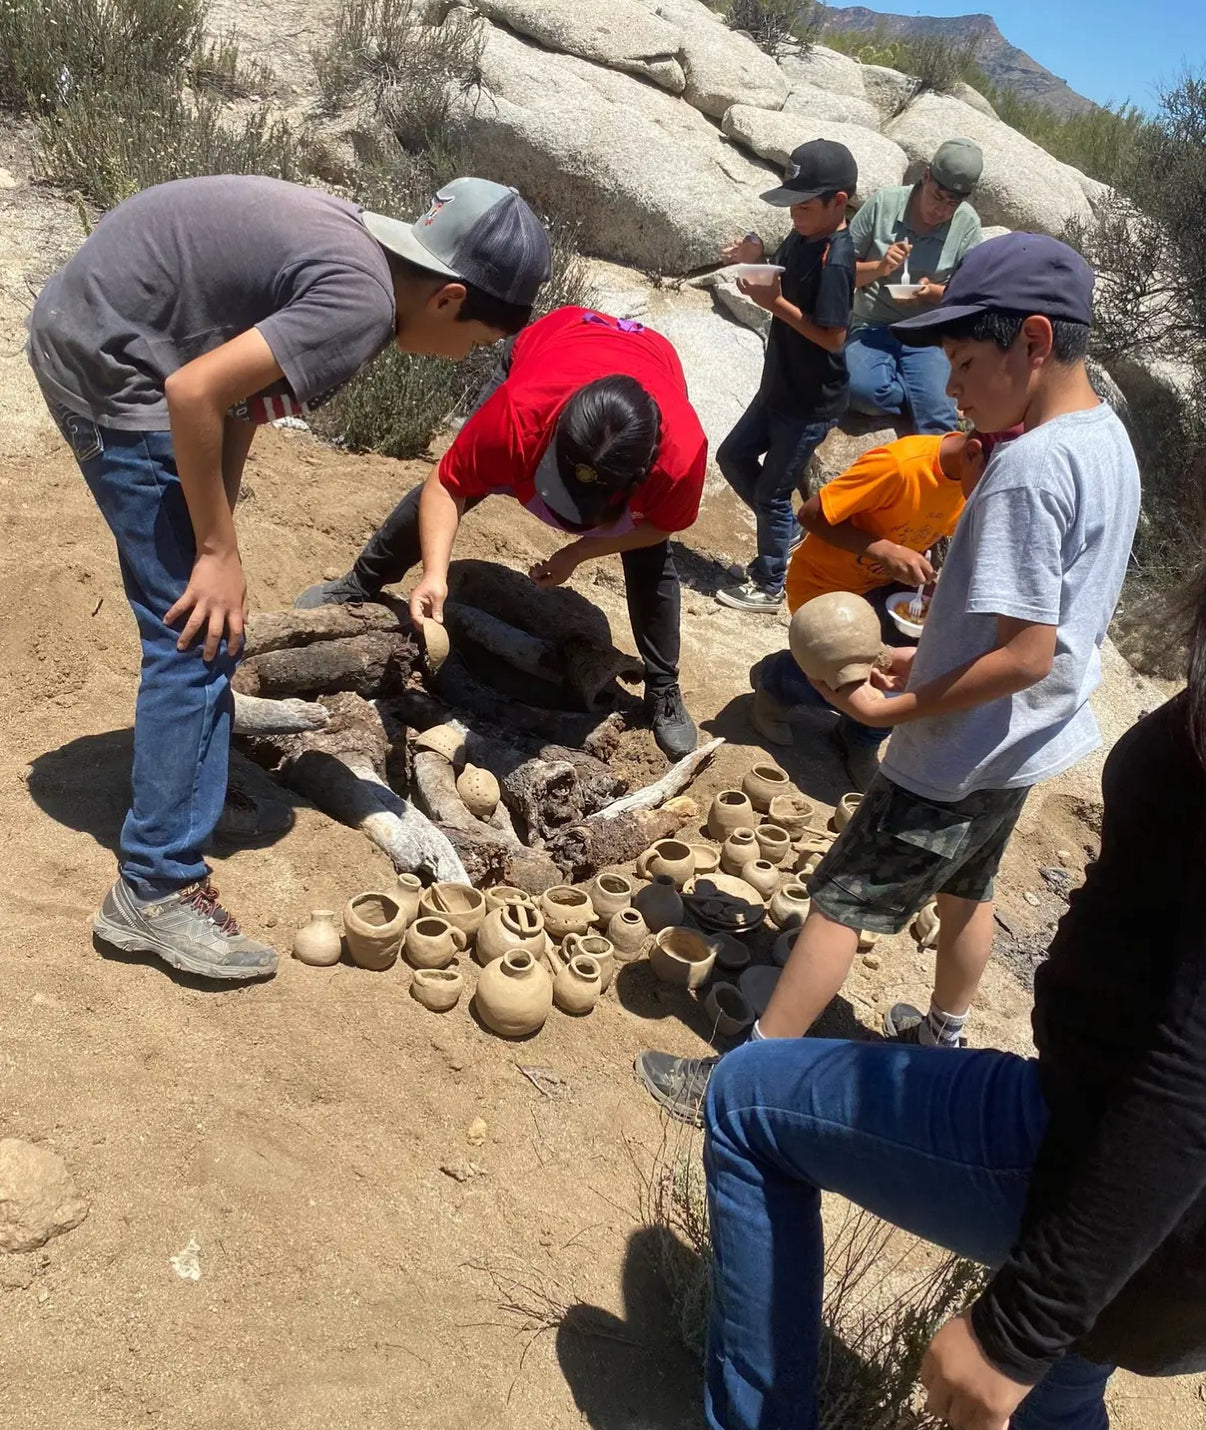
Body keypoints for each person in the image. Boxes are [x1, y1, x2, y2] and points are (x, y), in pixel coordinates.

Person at [612, 604, 1206, 1430]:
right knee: (1058, 1416)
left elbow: (1190, 1074)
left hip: (1108, 1150)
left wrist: (1020, 1322)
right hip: (1168, 1223)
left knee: (751, 1102)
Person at [636, 232, 1140, 1121]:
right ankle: (940, 1035)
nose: (950, 390)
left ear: (1031, 340)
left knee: (839, 902)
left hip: (958, 750)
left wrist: (899, 701)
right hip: (1028, 742)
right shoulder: (1106, 441)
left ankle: (742, 1082)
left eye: (965, 360)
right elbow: (1043, 629)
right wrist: (928, 650)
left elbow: (1025, 651)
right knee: (966, 890)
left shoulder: (1024, 469)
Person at [27, 174, 550, 982]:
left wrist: (219, 531)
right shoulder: (360, 307)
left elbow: (237, 404)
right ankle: (154, 888)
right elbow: (192, 390)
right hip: (110, 363)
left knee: (212, 609)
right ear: (448, 298)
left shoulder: (369, 266)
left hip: (118, 331)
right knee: (191, 633)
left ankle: (188, 796)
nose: (464, 361)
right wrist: (212, 553)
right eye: (477, 344)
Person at [295, 306, 707, 759]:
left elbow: (658, 526)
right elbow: (447, 485)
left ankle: (663, 687)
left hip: (651, 364)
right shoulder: (517, 415)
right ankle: (359, 584)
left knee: (651, 559)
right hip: (557, 343)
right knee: (466, 482)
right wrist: (435, 575)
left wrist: (578, 552)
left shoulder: (679, 459)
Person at [750, 425, 1007, 789]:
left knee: (911, 667)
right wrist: (883, 550)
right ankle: (778, 681)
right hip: (827, 586)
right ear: (973, 453)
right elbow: (809, 514)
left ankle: (859, 737)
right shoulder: (899, 467)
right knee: (852, 666)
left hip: (878, 585)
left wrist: (921, 571)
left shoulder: (965, 479)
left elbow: (918, 531)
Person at [713, 139, 859, 613]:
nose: (794, 211)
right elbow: (782, 276)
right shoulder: (803, 237)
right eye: (791, 201)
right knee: (733, 456)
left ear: (838, 202)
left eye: (804, 203)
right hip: (780, 385)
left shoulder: (835, 258)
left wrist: (773, 305)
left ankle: (771, 581)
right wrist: (755, 255)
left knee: (775, 491)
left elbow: (835, 338)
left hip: (810, 402)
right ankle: (786, 536)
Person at [846, 138, 984, 434]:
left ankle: (939, 467)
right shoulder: (884, 204)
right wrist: (880, 267)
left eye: (953, 203)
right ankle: (916, 394)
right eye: (938, 196)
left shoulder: (967, 225)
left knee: (938, 420)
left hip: (927, 333)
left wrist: (934, 293)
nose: (942, 210)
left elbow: (970, 297)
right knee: (862, 393)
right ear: (925, 176)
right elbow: (842, 275)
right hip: (871, 326)